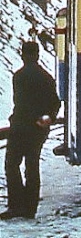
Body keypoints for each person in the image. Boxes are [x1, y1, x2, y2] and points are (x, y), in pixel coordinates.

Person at [2, 40, 61, 220]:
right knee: (32, 166)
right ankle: (30, 209)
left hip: (21, 126)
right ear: (37, 55)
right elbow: (55, 102)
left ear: (22, 55)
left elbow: (20, 103)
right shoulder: (46, 76)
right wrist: (47, 117)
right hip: (38, 128)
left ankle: (16, 205)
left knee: (12, 165)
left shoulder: (19, 76)